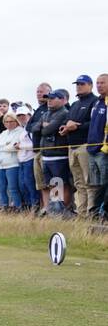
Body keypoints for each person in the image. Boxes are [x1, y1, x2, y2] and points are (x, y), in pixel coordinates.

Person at [64, 74, 97, 216]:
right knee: (78, 183)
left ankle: (91, 212)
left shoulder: (95, 101)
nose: (79, 86)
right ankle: (82, 213)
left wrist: (77, 127)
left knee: (89, 182)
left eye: (82, 84)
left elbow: (95, 124)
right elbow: (67, 121)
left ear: (90, 85)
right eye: (77, 84)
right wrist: (64, 127)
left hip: (85, 146)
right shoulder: (75, 104)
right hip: (72, 147)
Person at [0, 112, 31, 211]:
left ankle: (18, 207)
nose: (9, 123)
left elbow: (14, 147)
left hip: (13, 163)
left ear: (16, 121)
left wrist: (3, 147)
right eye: (6, 122)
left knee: (13, 188)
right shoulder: (4, 133)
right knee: (0, 188)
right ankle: (4, 206)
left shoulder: (20, 131)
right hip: (0, 164)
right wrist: (5, 145)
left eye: (11, 121)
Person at [39, 89, 72, 215]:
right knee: (53, 183)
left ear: (62, 100)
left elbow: (46, 131)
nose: (49, 101)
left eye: (53, 98)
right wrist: (44, 125)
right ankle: (56, 209)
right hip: (47, 155)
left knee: (62, 183)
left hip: (59, 155)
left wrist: (45, 126)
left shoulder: (64, 113)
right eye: (48, 98)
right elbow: (36, 127)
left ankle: (64, 209)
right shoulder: (46, 113)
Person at [26, 82, 52, 211]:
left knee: (53, 181)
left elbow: (50, 127)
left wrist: (39, 126)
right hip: (36, 150)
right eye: (37, 91)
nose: (39, 94)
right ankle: (46, 207)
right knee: (41, 183)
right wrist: (40, 125)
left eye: (42, 91)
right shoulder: (39, 109)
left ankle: (57, 207)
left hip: (48, 150)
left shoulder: (50, 107)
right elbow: (29, 127)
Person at [87, 75, 108, 219]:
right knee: (96, 185)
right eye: (98, 83)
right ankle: (95, 212)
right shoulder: (97, 102)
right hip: (92, 150)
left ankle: (103, 212)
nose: (99, 85)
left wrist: (104, 147)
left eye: (103, 83)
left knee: (105, 184)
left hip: (104, 151)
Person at [12, 104, 39, 210]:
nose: (21, 118)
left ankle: (34, 206)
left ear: (29, 115)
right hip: (22, 160)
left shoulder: (31, 128)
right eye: (18, 116)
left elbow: (35, 145)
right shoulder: (23, 129)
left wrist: (20, 146)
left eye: (23, 115)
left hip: (30, 159)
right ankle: (29, 206)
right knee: (22, 185)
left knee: (30, 185)